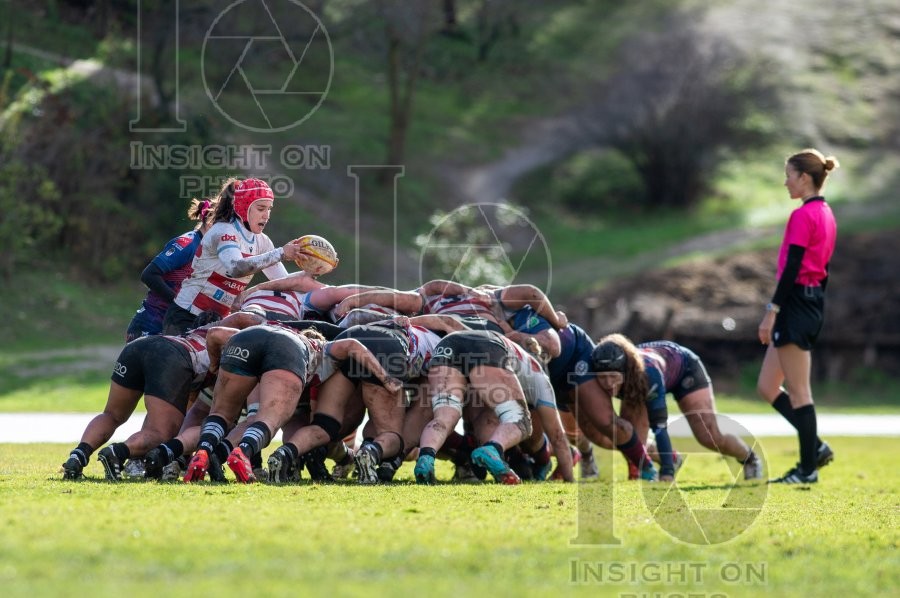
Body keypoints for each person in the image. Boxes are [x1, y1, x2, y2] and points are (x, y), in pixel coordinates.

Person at [60, 311, 258, 480]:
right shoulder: (235, 344)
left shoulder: (203, 330)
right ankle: (117, 452)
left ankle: (77, 456)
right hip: (172, 357)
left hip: (141, 345)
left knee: (112, 415)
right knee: (161, 434)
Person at [757, 149, 839, 484]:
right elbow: (824, 269)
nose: (786, 182)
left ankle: (807, 470)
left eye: (789, 175)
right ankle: (815, 447)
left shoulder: (803, 215)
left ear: (804, 177)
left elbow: (792, 268)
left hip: (796, 305)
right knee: (767, 386)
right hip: (808, 302)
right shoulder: (826, 213)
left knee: (800, 394)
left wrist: (772, 311)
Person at [590, 334, 763, 482]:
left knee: (709, 436)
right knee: (627, 435)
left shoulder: (646, 374)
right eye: (602, 378)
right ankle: (667, 460)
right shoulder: (594, 375)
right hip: (649, 376)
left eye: (613, 377)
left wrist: (667, 472)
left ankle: (750, 458)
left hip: (684, 370)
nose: (608, 384)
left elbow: (659, 427)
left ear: (625, 371)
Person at [162, 177, 305, 334]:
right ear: (243, 207)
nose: (266, 215)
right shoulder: (224, 231)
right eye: (261, 208)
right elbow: (236, 268)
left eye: (269, 209)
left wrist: (311, 270)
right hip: (186, 315)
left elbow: (283, 281)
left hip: (218, 320)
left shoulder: (263, 241)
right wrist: (282, 253)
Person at [125, 198, 214, 342]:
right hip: (152, 322)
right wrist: (180, 305)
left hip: (174, 325)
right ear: (210, 221)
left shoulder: (209, 250)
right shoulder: (188, 243)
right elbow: (149, 275)